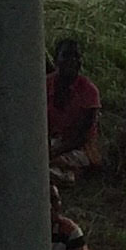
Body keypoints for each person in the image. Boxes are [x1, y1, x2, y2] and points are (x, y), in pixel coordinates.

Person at [46, 38, 104, 179]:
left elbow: (82, 136)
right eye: (66, 55)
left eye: (76, 56)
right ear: (55, 59)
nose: (72, 60)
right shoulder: (45, 85)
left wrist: (53, 151)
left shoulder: (89, 91)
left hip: (79, 148)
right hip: (51, 143)